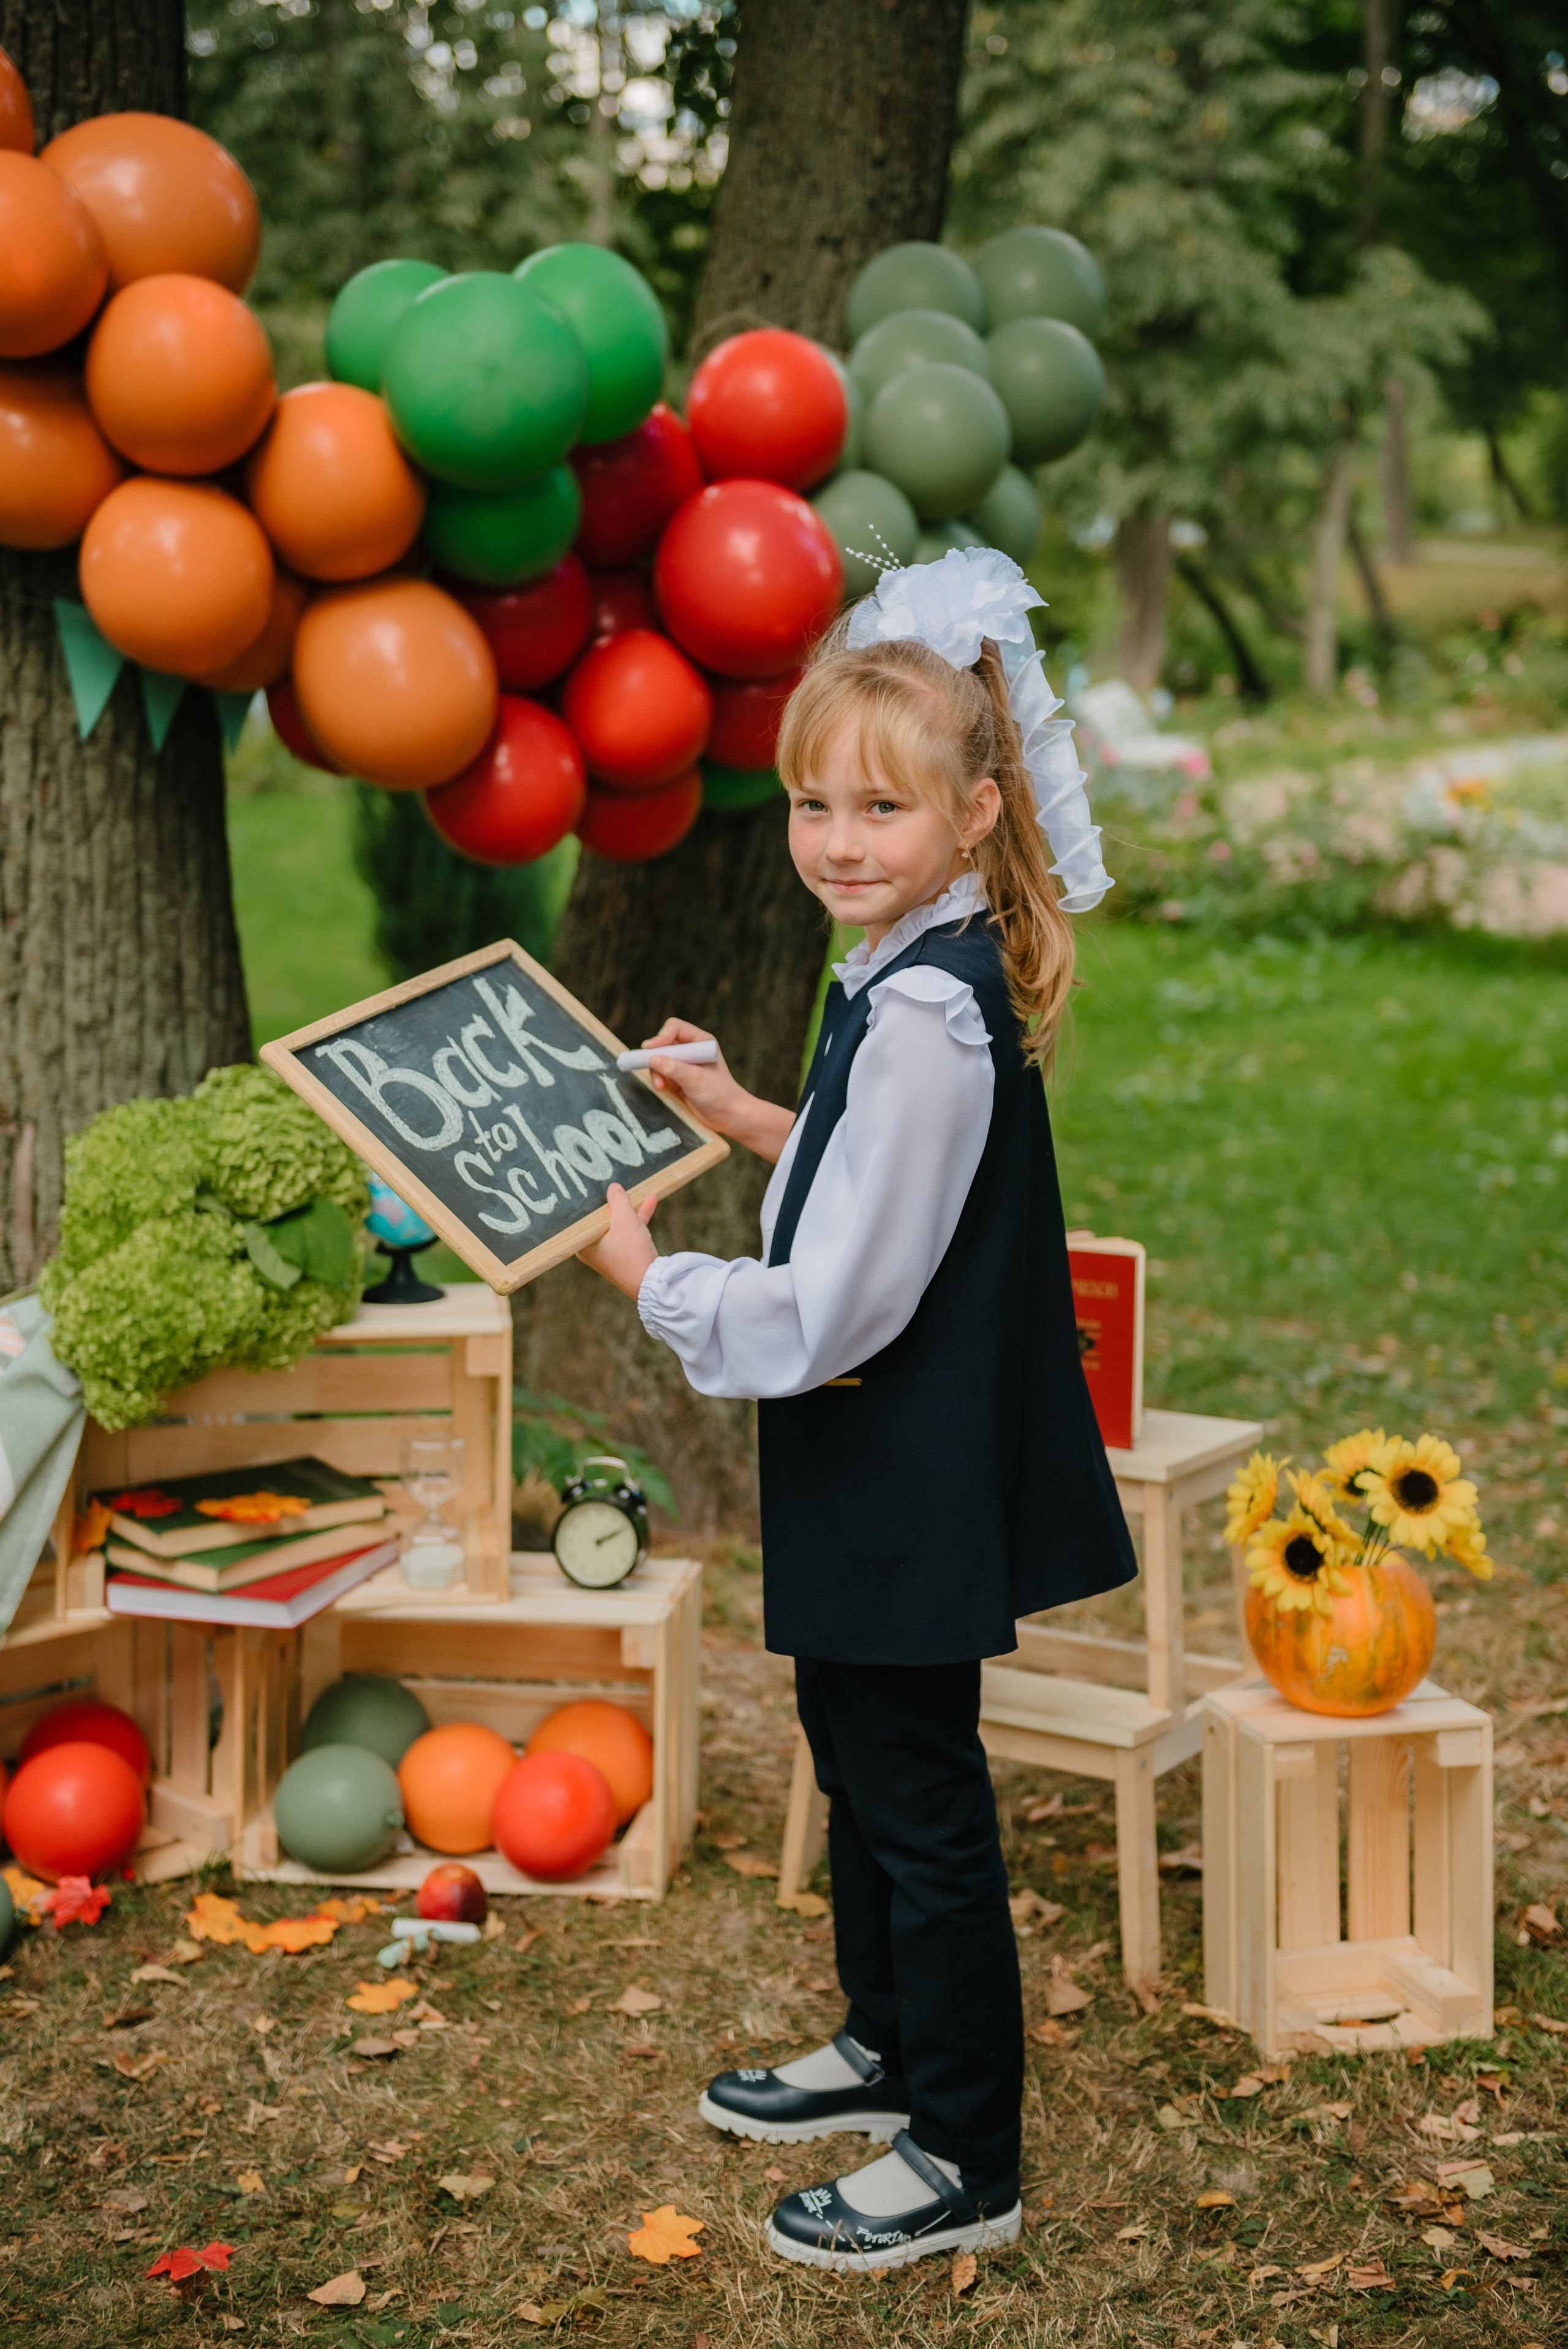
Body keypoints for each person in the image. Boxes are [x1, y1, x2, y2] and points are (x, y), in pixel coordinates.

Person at [577, 548, 1138, 2274]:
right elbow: (873, 1187)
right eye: (816, 798)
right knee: (859, 1740)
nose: (837, 836)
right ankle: (888, 2042)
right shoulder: (900, 971)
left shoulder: (927, 1024)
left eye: (881, 807)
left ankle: (967, 2146)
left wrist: (639, 1271)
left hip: (895, 1453)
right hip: (878, 1456)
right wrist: (750, 1109)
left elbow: (832, 1308)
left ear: (977, 812)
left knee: (918, 1792)